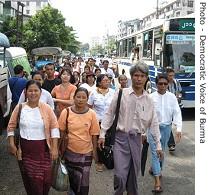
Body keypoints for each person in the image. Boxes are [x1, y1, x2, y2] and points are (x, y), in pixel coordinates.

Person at [98, 62, 163, 195]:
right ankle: (119, 192)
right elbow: (109, 114)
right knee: (120, 176)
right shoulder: (121, 93)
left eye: (142, 76)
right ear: (131, 76)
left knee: (133, 177)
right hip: (120, 139)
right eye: (136, 75)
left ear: (146, 78)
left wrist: (158, 145)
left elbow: (154, 123)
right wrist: (102, 134)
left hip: (137, 141)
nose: (139, 79)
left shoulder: (149, 100)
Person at [7, 80, 60, 195]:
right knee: (32, 179)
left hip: (43, 149)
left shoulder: (47, 108)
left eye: (36, 90)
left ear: (40, 93)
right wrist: (11, 144)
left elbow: (54, 127)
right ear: (26, 92)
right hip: (26, 150)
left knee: (46, 180)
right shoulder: (20, 108)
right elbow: (11, 126)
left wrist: (55, 147)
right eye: (30, 91)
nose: (33, 93)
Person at [58, 87, 100, 195]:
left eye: (83, 98)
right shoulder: (66, 112)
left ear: (87, 100)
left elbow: (94, 134)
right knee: (72, 180)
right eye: (78, 97)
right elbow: (61, 133)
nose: (80, 100)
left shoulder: (92, 114)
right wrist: (57, 149)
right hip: (69, 152)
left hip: (86, 153)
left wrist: (95, 152)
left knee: (84, 180)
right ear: (74, 98)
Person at [148, 74, 182, 193]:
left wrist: (178, 128)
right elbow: (145, 116)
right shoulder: (150, 97)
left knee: (162, 150)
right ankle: (157, 182)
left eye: (165, 84)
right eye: (160, 84)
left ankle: (155, 168)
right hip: (153, 129)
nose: (162, 86)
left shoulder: (172, 97)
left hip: (166, 128)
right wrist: (142, 132)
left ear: (168, 84)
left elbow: (177, 112)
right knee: (155, 153)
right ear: (156, 84)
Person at [88, 74, 115, 172]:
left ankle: (107, 159)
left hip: (110, 122)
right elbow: (89, 107)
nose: (107, 82)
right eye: (105, 80)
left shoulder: (113, 92)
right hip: (97, 122)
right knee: (99, 142)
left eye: (108, 80)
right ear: (99, 82)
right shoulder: (93, 93)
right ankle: (99, 162)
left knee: (108, 142)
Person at [166, 67, 182, 152]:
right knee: (168, 124)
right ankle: (171, 144)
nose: (171, 77)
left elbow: (179, 91)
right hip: (167, 106)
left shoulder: (176, 82)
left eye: (172, 75)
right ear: (167, 75)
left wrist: (178, 97)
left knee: (176, 122)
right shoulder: (164, 83)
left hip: (175, 105)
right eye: (169, 75)